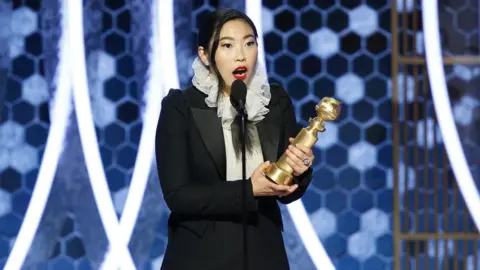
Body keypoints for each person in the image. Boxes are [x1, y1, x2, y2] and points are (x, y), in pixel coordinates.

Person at [155, 8, 314, 270]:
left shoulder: (274, 102)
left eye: (249, 43)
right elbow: (177, 196)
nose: (241, 55)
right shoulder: (180, 107)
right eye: (227, 45)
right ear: (204, 55)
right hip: (200, 256)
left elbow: (287, 193)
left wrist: (299, 170)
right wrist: (249, 190)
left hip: (263, 250)